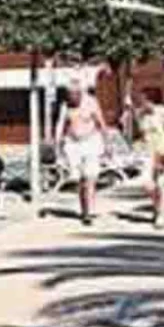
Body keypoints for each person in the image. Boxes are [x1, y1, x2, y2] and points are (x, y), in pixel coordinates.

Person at [54, 79, 109, 226]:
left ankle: (88, 212)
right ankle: (84, 208)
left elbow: (101, 123)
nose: (73, 97)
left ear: (80, 93)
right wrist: (57, 143)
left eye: (75, 94)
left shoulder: (91, 103)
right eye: (70, 94)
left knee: (90, 177)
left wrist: (107, 145)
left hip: (91, 141)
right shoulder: (65, 106)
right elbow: (60, 124)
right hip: (73, 144)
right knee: (79, 179)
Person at [133, 88, 164, 227]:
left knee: (161, 183)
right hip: (147, 153)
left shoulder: (163, 113)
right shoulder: (141, 115)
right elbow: (139, 134)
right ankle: (157, 205)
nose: (142, 103)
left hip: (163, 152)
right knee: (147, 184)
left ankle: (160, 214)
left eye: (145, 100)